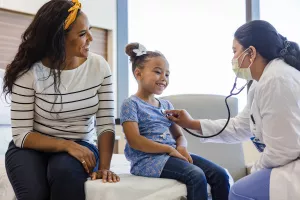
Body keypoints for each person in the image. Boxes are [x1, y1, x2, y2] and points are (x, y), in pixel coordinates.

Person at [165, 20, 300, 200]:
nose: (233, 58)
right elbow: (240, 127)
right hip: (286, 162)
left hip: (292, 168)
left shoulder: (277, 79)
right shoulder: (261, 82)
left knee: (239, 192)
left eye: (235, 51)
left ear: (251, 52)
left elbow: (284, 149)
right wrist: (191, 123)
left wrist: (255, 170)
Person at [2, 1, 120, 200]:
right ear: (57, 39)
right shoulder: (28, 72)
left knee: (64, 172)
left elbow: (106, 122)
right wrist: (65, 145)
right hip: (30, 147)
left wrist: (105, 167)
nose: (91, 38)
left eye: (89, 30)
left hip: (81, 143)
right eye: (82, 34)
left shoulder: (99, 66)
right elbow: (21, 135)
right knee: (34, 193)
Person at [120, 42, 230, 200]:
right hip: (147, 160)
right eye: (158, 72)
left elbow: (179, 136)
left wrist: (181, 147)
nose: (164, 78)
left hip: (171, 155)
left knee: (220, 175)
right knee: (196, 175)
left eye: (167, 74)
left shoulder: (166, 105)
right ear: (138, 74)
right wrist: (169, 149)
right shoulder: (131, 104)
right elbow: (135, 140)